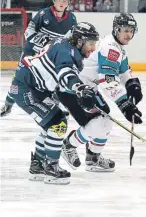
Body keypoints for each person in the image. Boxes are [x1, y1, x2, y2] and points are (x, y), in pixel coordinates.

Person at [8, 22, 99, 185]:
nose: (93, 49)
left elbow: (61, 80)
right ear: (79, 41)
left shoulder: (66, 45)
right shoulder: (66, 51)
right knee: (57, 124)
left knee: (55, 120)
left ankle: (38, 165)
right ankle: (51, 168)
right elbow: (65, 73)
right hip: (27, 89)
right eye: (91, 44)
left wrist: (79, 92)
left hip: (35, 87)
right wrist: (79, 88)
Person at [60, 13, 143, 172]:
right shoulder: (110, 48)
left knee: (105, 122)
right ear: (116, 29)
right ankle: (68, 145)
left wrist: (133, 85)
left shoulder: (117, 48)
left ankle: (93, 158)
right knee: (97, 124)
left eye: (131, 30)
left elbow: (124, 71)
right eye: (125, 30)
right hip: (74, 89)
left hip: (89, 89)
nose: (129, 34)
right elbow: (108, 80)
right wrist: (124, 104)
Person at [1, 0, 77, 117]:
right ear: (54, 0)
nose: (62, 2)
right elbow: (28, 32)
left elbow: (71, 39)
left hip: (49, 56)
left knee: (53, 79)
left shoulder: (72, 18)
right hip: (32, 52)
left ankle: (55, 104)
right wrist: (44, 42)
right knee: (19, 79)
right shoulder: (43, 14)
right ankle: (8, 104)